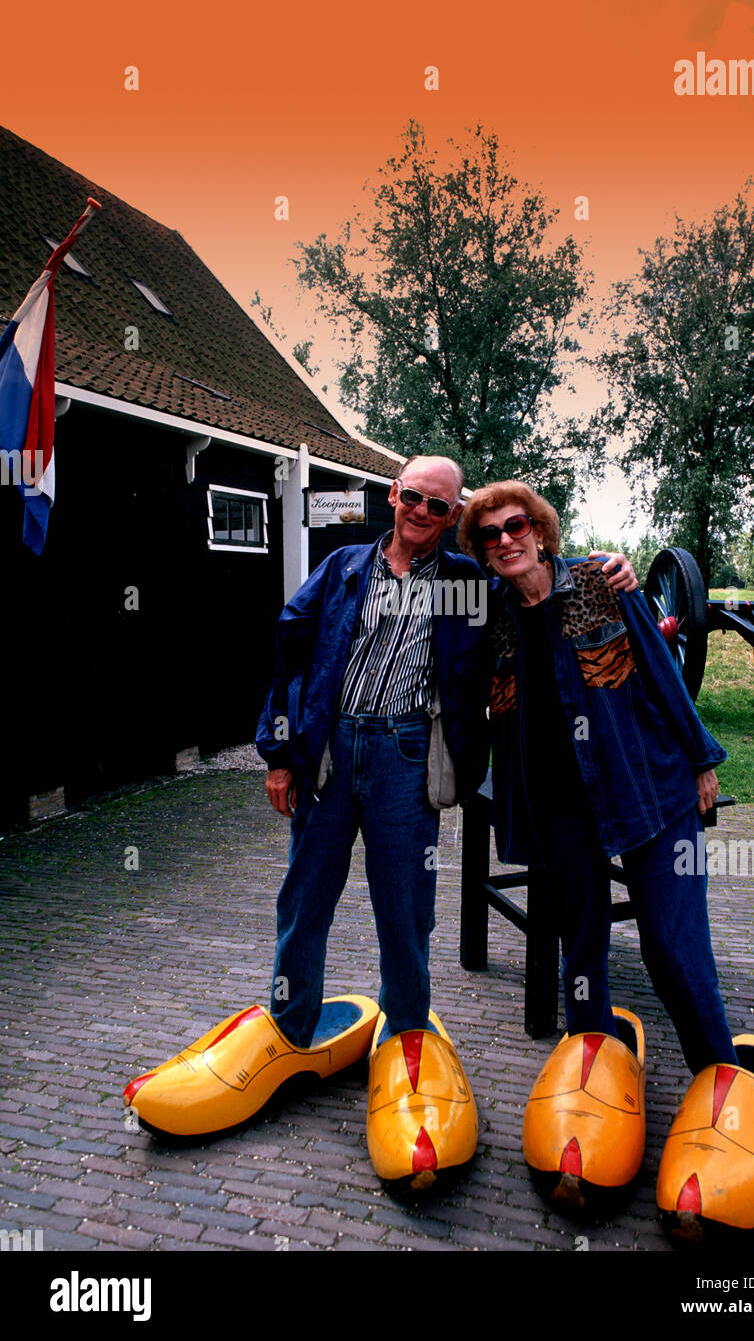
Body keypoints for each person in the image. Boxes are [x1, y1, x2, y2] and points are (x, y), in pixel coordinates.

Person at [122, 453, 637, 1192]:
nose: (422, 516)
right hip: (331, 753)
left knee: (407, 909)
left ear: (452, 515)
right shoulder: (342, 572)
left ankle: (406, 1040)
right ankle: (291, 1027)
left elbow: (535, 578)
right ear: (392, 496)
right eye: (413, 500)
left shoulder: (467, 585)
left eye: (439, 508)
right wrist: (278, 752)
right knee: (306, 897)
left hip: (405, 753)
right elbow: (289, 653)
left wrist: (606, 568)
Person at [457, 480, 754, 1237]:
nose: (505, 540)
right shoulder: (495, 615)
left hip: (646, 784)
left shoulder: (596, 585)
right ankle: (593, 1061)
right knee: (580, 935)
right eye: (488, 534)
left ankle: (721, 1076)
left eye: (516, 526)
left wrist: (703, 758)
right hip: (557, 804)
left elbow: (659, 670)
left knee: (672, 945)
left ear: (541, 531)